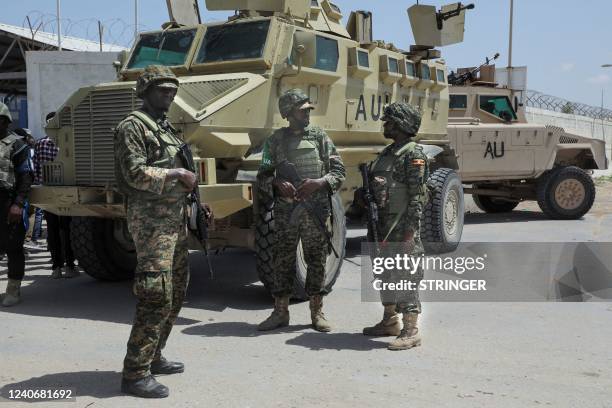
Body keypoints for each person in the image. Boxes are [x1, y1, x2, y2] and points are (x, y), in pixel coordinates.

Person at [115, 65, 210, 398]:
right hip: (151, 223)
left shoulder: (164, 127)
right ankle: (135, 373)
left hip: (175, 221)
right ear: (144, 91)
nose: (168, 94)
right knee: (155, 294)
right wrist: (176, 174)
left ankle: (154, 355)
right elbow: (133, 174)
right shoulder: (133, 126)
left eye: (172, 90)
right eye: (161, 89)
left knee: (177, 291)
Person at [257, 89, 345, 332]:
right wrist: (276, 183)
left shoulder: (319, 137)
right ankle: (280, 312)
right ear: (288, 113)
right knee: (281, 260)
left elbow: (339, 172)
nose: (307, 113)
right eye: (301, 109)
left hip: (315, 211)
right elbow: (262, 175)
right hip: (286, 214)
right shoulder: (274, 141)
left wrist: (319, 183)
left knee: (316, 260)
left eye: (308, 109)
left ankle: (317, 312)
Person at [360, 102, 429, 351]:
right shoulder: (387, 154)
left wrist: (410, 234)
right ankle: (390, 321)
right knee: (385, 275)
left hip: (401, 229)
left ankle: (411, 331)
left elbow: (417, 197)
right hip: (382, 227)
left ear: (401, 124)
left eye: (389, 122)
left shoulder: (413, 155)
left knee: (405, 278)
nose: (385, 125)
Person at [34, 113, 77, 278]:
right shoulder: (68, 144)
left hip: (47, 191)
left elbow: (37, 169)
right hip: (66, 191)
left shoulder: (40, 143)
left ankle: (56, 267)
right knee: (67, 229)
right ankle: (70, 266)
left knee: (52, 230)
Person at [0, 103, 34, 307]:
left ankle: (13, 289)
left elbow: (26, 177)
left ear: (3, 121)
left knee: (13, 247)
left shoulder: (18, 145)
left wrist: (18, 204)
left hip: (8, 202)